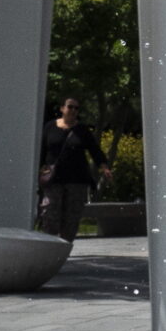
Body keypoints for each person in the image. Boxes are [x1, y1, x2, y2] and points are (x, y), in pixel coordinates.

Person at [37, 98, 110, 242]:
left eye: (76, 108)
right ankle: (49, 246)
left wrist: (104, 167)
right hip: (54, 179)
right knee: (50, 214)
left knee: (72, 218)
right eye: (70, 107)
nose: (73, 111)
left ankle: (65, 247)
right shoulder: (50, 127)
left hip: (77, 180)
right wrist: (40, 168)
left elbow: (94, 149)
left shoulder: (82, 130)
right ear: (62, 108)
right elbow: (41, 149)